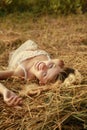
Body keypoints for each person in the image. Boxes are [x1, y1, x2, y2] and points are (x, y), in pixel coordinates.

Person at [0, 40, 64, 106]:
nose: (43, 66)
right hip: (29, 46)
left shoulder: (21, 72)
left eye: (44, 74)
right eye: (50, 66)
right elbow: (59, 62)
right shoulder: (55, 64)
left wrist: (4, 91)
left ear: (41, 83)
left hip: (18, 52)